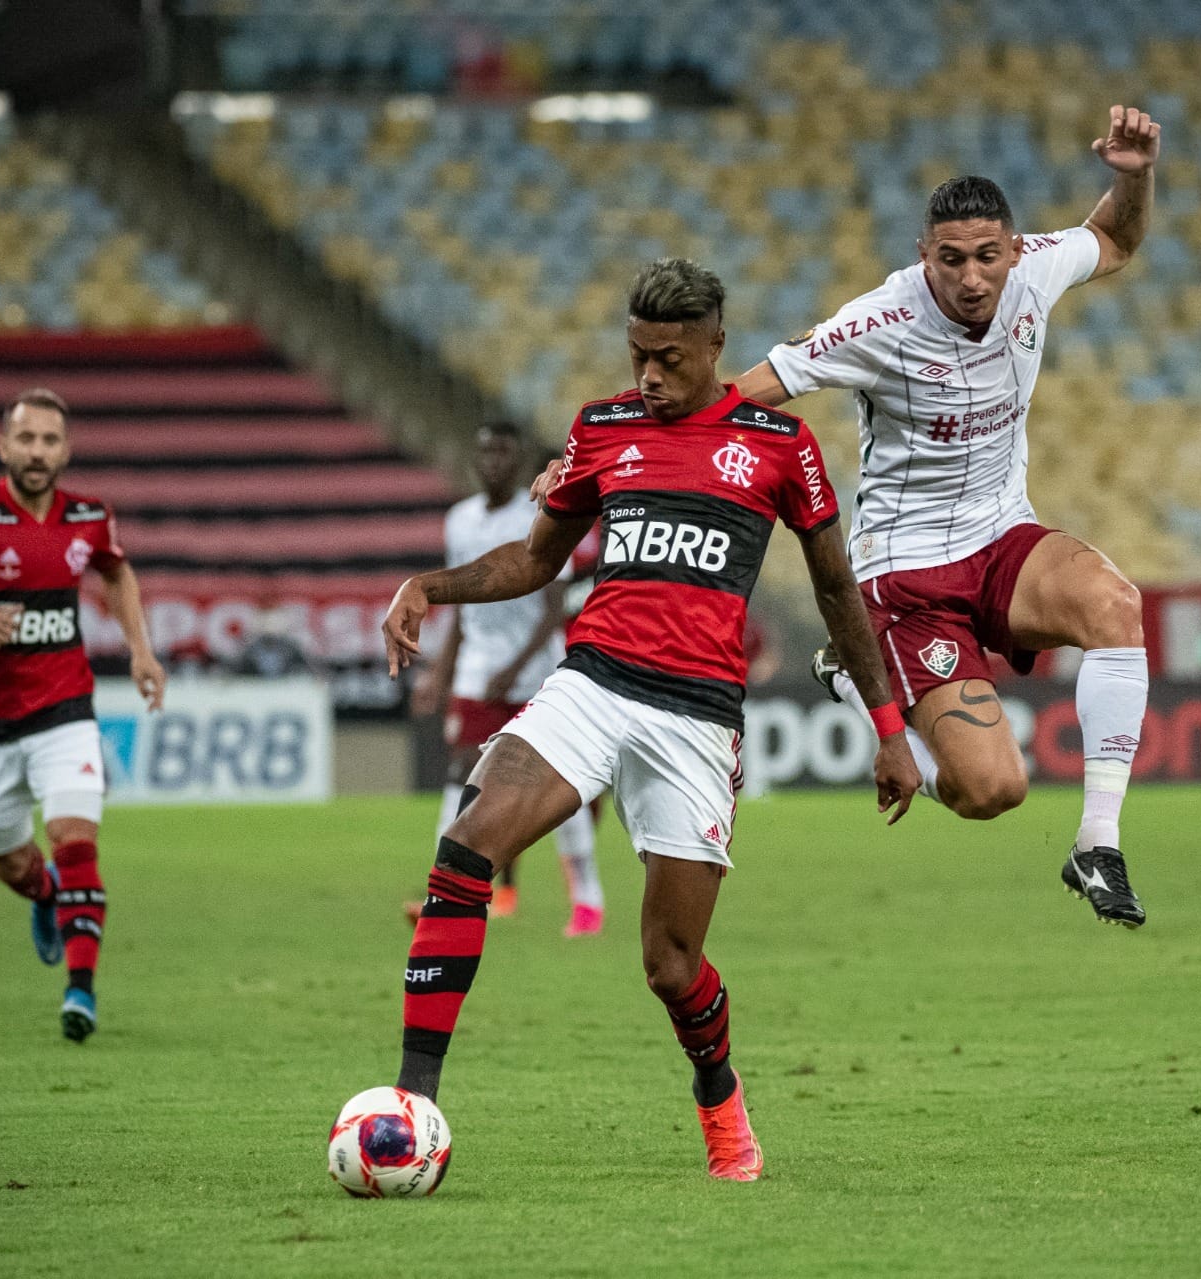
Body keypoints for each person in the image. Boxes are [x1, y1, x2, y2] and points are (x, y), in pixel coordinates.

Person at [535, 105, 1161, 928]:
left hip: (1004, 533)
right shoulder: (879, 321)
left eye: (986, 258)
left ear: (1012, 250)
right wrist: (602, 445)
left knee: (1117, 604)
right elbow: (741, 391)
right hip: (905, 573)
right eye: (950, 261)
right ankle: (851, 674)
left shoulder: (1035, 269)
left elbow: (1113, 239)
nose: (972, 279)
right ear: (922, 257)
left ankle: (1098, 843)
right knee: (991, 790)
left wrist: (1133, 175)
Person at [381, 259, 919, 1181]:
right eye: (637, 356)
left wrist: (890, 727)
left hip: (698, 718)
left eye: (668, 359)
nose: (649, 378)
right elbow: (536, 560)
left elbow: (836, 589)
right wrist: (428, 586)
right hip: (590, 683)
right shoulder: (602, 428)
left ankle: (719, 1094)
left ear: (715, 345)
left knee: (672, 966)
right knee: (468, 844)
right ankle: (411, 1103)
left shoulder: (780, 445)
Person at [0, 387, 165, 1042]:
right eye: (26, 438)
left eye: (49, 440)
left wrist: (141, 650)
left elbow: (116, 573)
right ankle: (45, 896)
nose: (38, 451)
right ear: (4, 446)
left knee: (76, 838)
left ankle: (81, 990)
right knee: (14, 866)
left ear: (66, 450)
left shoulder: (91, 517)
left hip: (65, 709)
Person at [410, 421, 606, 936]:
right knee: (461, 777)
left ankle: (587, 901)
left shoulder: (539, 513)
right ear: (475, 460)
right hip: (477, 671)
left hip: (534, 672)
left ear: (517, 462)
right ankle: (441, 893)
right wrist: (440, 672)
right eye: (485, 452)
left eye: (503, 453)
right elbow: (458, 602)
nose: (493, 461)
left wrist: (514, 669)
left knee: (562, 788)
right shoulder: (458, 520)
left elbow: (550, 605)